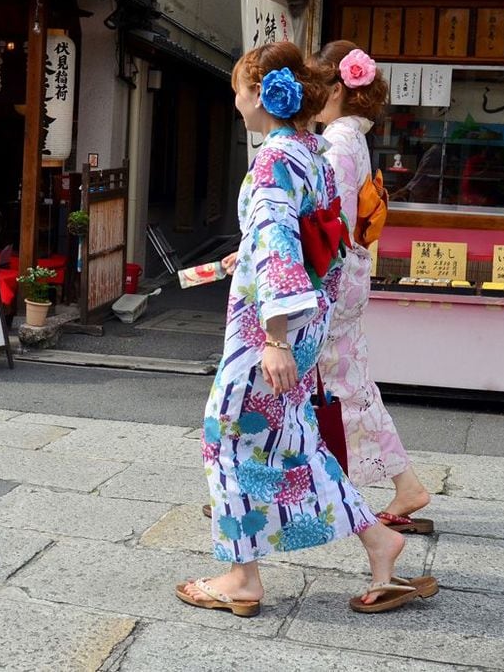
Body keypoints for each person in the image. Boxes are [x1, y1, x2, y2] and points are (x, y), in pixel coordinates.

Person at [175, 42, 437, 617]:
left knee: (226, 436)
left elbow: (277, 243)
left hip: (269, 330)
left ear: (264, 95)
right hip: (304, 319)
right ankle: (379, 540)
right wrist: (236, 271)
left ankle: (243, 577)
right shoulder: (312, 153)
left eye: (240, 92)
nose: (237, 103)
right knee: (292, 440)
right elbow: (310, 242)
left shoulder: (273, 159)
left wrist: (274, 336)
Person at [308, 41, 432, 533]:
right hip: (351, 274)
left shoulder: (336, 144)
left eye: (317, 85)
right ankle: (403, 485)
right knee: (349, 387)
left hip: (332, 280)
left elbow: (327, 222)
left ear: (337, 88)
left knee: (321, 388)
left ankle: (270, 494)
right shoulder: (353, 138)